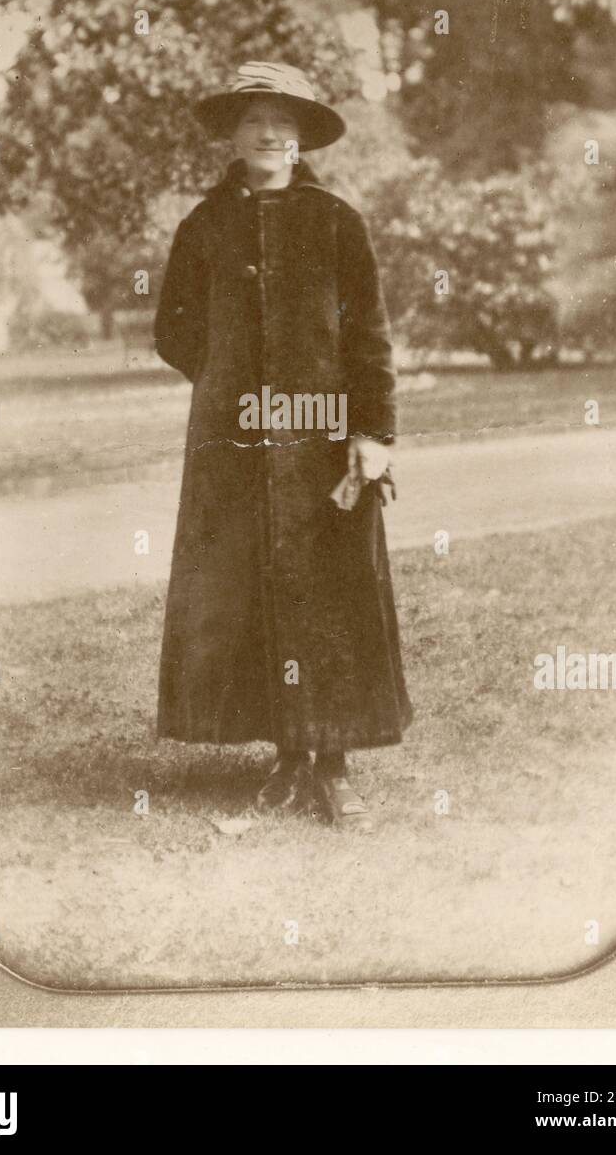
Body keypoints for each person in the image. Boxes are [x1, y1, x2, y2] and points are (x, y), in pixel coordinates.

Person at [153, 61, 412, 832]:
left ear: (302, 140)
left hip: (324, 440)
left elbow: (370, 337)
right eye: (256, 118)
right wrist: (229, 379)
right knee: (247, 589)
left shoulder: (337, 221)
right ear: (233, 134)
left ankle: (331, 763)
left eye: (286, 121)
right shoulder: (203, 226)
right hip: (232, 446)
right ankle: (286, 757)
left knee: (331, 588)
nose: (271, 132)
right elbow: (174, 329)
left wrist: (373, 435)